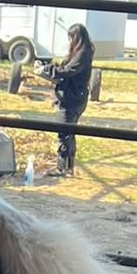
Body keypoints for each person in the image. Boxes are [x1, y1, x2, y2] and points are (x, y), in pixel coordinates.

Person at [47, 23, 94, 176]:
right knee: (69, 132)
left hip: (71, 99)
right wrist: (51, 67)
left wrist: (50, 70)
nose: (69, 41)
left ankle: (62, 168)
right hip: (76, 97)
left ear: (76, 38)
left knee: (64, 132)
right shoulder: (82, 52)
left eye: (71, 38)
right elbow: (66, 67)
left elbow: (68, 70)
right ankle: (68, 167)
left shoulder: (82, 54)